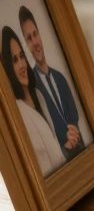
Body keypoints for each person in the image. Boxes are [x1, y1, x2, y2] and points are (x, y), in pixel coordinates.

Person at [19, 5, 85, 160]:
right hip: (59, 161)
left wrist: (74, 133)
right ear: (25, 46)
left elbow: (74, 118)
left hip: (81, 152)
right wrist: (65, 146)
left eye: (35, 34)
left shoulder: (61, 78)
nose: (35, 42)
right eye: (29, 38)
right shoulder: (32, 90)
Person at [3, 26, 67, 176]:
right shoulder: (18, 111)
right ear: (8, 68)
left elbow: (55, 151)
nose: (22, 65)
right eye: (14, 60)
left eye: (22, 56)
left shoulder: (38, 95)